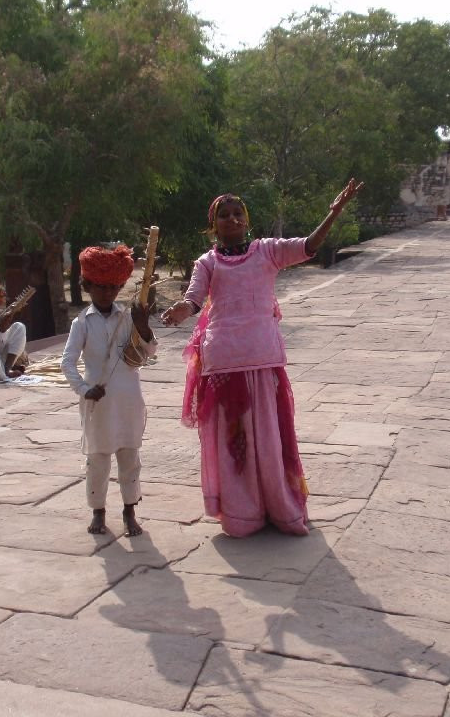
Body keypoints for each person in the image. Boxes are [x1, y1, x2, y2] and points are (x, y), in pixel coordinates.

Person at [161, 179, 364, 537]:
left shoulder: (267, 251)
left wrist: (334, 213)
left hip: (262, 358)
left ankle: (279, 508)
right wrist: (180, 310)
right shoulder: (207, 262)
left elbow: (308, 246)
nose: (232, 219)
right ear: (214, 224)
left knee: (269, 439)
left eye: (238, 213)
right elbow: (194, 299)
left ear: (247, 220)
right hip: (224, 362)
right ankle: (241, 515)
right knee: (233, 442)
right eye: (224, 215)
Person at [60, 245, 156, 537]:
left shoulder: (128, 317)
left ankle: (130, 512)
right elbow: (67, 362)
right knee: (98, 461)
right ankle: (98, 512)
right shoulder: (82, 323)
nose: (108, 293)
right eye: (101, 287)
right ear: (87, 286)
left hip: (128, 399)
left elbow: (148, 354)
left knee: (130, 459)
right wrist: (84, 389)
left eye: (114, 288)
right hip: (97, 404)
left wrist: (144, 327)